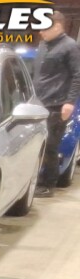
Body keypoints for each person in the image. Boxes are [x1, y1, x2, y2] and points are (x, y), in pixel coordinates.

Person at [33, 11, 80, 197]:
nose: (40, 32)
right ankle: (34, 179)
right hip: (38, 103)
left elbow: (77, 75)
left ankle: (47, 184)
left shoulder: (70, 46)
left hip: (56, 104)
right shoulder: (43, 45)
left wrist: (69, 102)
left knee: (50, 146)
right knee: (37, 145)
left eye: (44, 28)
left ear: (57, 26)